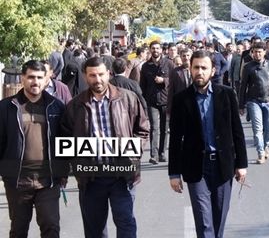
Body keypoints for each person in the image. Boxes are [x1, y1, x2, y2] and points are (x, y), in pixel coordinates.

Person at [60, 56, 150, 238]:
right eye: (92, 75)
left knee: (126, 223)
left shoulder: (128, 99)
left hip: (121, 175)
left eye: (101, 74)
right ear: (85, 76)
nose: (97, 79)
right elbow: (65, 137)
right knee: (95, 229)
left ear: (108, 74)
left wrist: (131, 153)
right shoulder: (75, 106)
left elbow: (143, 129)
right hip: (91, 178)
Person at [168, 50, 248, 238]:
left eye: (204, 68)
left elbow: (237, 131)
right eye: (196, 67)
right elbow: (175, 138)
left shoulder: (226, 94)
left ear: (213, 71)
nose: (200, 72)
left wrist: (242, 164)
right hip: (196, 168)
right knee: (204, 223)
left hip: (223, 165)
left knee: (219, 219)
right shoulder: (181, 99)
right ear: (190, 69)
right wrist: (174, 173)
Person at [0, 60, 68, 238]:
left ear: (46, 79)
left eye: (39, 77)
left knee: (51, 227)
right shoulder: (6, 107)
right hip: (17, 181)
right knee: (18, 229)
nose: (35, 82)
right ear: (23, 78)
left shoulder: (57, 106)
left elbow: (64, 141)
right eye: (30, 77)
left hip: (48, 180)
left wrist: (63, 172)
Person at [239, 42, 269, 164]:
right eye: (255, 52)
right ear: (252, 52)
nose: (257, 54)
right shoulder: (248, 67)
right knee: (257, 129)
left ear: (264, 52)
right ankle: (260, 152)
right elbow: (243, 87)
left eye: (259, 52)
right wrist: (241, 105)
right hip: (253, 101)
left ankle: (265, 145)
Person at [140, 40, 174, 164]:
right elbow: (142, 85)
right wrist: (144, 99)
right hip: (151, 101)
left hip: (165, 100)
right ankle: (153, 155)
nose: (155, 50)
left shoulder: (169, 63)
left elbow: (173, 80)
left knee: (164, 128)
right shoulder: (145, 66)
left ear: (161, 50)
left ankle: (162, 153)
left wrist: (164, 80)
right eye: (153, 48)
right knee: (154, 127)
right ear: (150, 50)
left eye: (157, 48)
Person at [166, 47, 192, 115]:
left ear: (191, 56)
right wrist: (169, 108)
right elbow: (171, 90)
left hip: (194, 103)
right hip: (181, 104)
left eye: (188, 55)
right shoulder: (175, 72)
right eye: (184, 56)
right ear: (180, 57)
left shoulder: (197, 69)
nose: (186, 58)